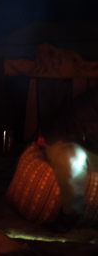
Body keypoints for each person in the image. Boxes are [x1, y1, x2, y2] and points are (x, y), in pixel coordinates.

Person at [40, 85, 98, 232]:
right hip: (67, 142)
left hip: (92, 147)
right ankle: (71, 213)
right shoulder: (88, 102)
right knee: (73, 159)